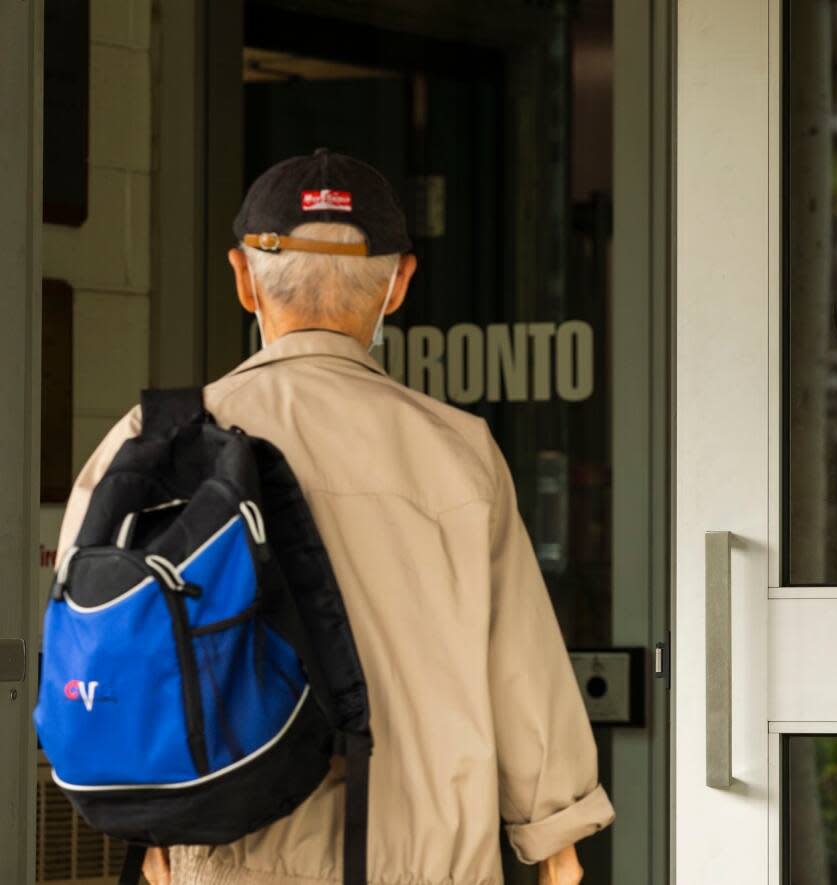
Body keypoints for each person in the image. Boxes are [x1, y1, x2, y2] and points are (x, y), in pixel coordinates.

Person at [57, 149, 614, 885]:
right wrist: (557, 842)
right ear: (399, 284)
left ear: (243, 279)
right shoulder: (459, 453)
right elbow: (523, 673)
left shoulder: (153, 442)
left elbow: (95, 649)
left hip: (227, 858)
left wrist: (154, 829)